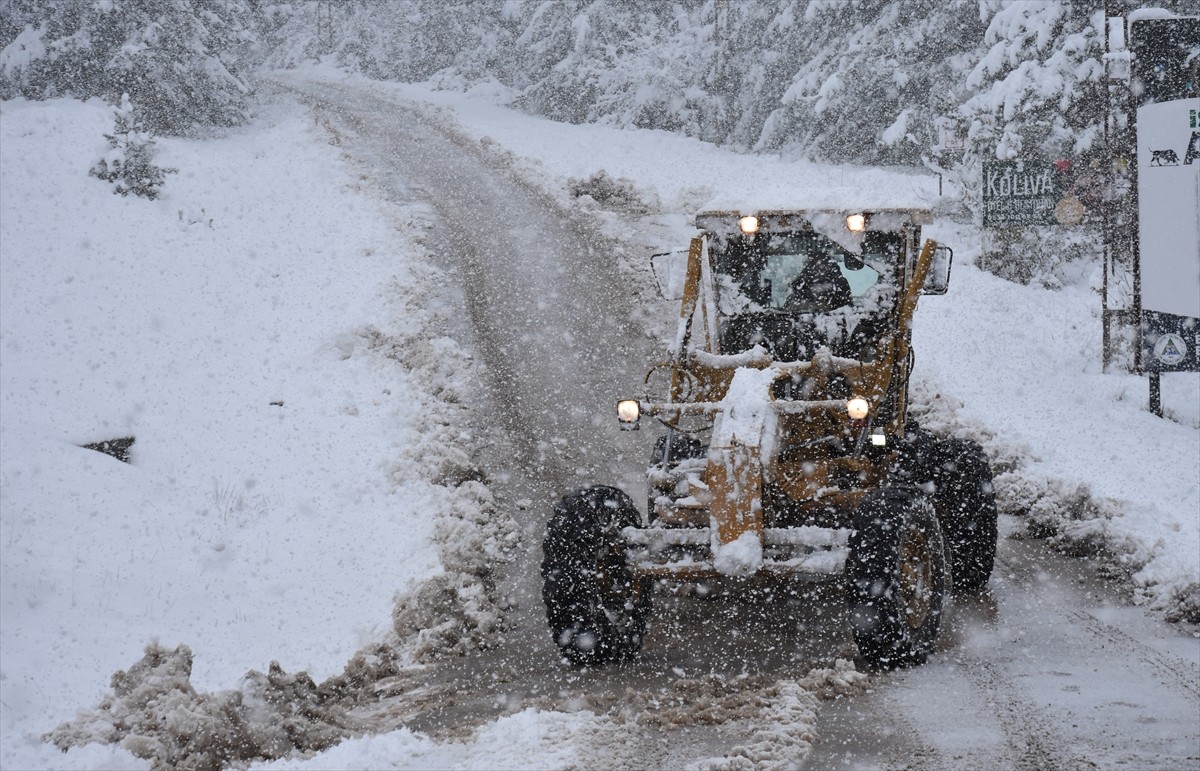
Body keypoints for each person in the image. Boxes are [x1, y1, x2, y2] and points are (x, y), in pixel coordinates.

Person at [784, 251, 852, 313]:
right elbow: (788, 312)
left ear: (830, 264)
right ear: (809, 265)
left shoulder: (839, 286)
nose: (818, 266)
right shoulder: (800, 286)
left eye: (823, 262)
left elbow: (849, 312)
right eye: (814, 262)